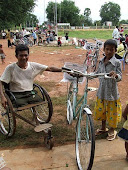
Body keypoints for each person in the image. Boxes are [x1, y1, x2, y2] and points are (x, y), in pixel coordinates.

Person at [0, 44, 62, 108]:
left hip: (30, 92)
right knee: (19, 104)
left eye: (25, 55)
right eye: (21, 55)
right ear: (16, 56)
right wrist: (2, 96)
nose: (24, 58)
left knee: (39, 100)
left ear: (28, 55)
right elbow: (1, 82)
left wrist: (64, 70)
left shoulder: (33, 66)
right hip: (16, 94)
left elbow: (50, 68)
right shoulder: (10, 68)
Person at [94, 39, 122, 141]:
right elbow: (97, 72)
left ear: (115, 50)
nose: (109, 51)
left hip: (112, 93)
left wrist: (116, 75)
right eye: (107, 49)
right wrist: (87, 75)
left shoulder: (117, 63)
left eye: (112, 49)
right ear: (104, 49)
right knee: (102, 111)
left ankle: (111, 130)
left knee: (112, 112)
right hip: (101, 91)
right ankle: (103, 128)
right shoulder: (101, 61)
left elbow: (120, 77)